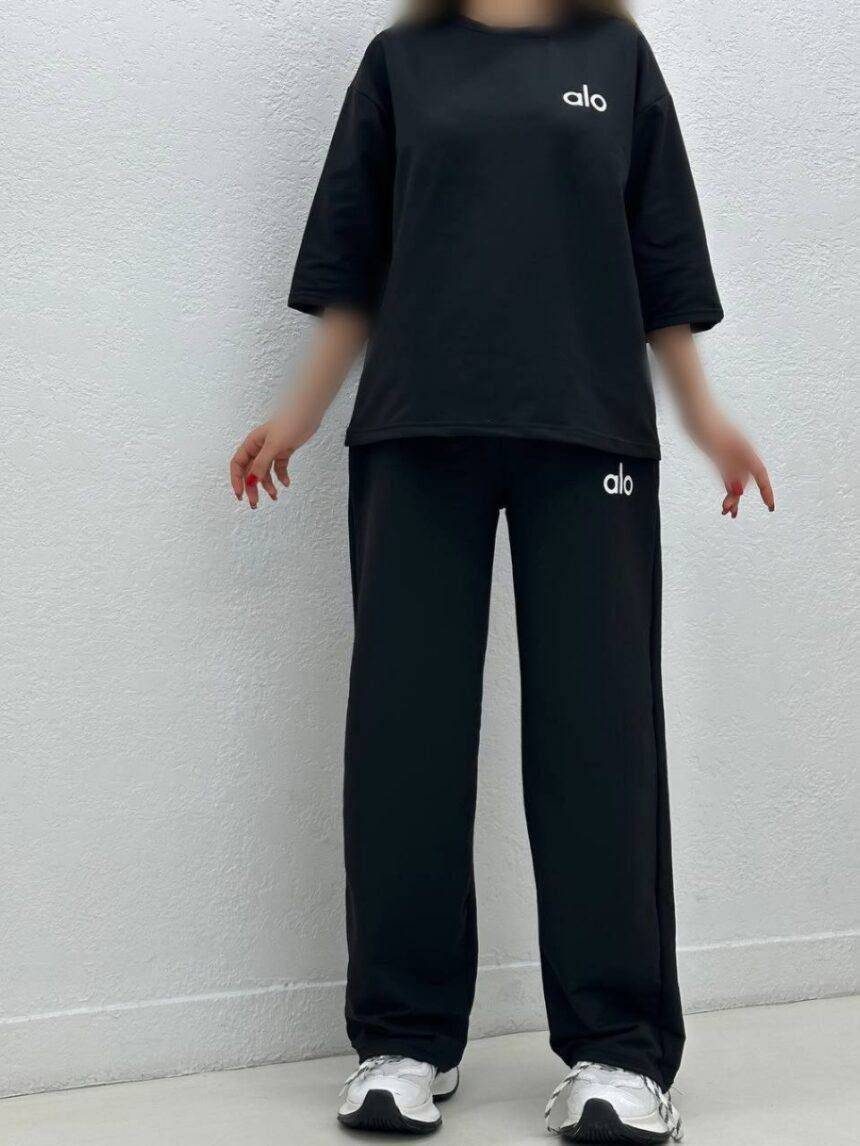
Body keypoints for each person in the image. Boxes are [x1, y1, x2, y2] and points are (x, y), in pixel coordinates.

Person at [229, 0, 774, 1139]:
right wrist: (297, 414)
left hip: (588, 434)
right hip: (415, 432)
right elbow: (352, 272)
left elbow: (663, 274)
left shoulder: (615, 58)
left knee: (600, 735)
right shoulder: (399, 65)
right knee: (405, 739)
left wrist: (706, 420)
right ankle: (403, 1041)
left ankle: (619, 1054)